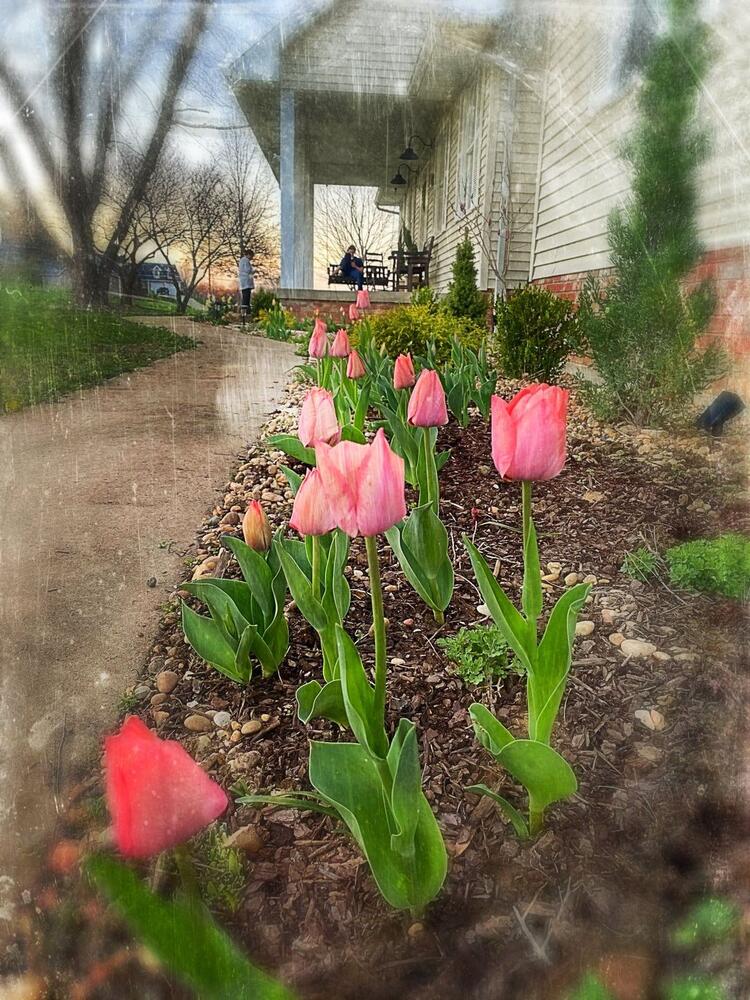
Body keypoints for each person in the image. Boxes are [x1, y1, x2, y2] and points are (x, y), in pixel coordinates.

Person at [238, 248, 254, 325]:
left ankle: (244, 312)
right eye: (251, 256)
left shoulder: (242, 260)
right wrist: (253, 271)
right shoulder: (246, 261)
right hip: (246, 281)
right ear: (248, 255)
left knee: (245, 296)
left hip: (244, 281)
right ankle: (245, 313)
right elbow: (247, 270)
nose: (252, 258)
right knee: (246, 297)